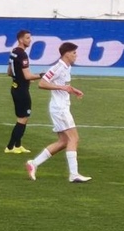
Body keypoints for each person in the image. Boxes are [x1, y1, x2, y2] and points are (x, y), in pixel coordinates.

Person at [25, 42, 91, 183]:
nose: (76, 55)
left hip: (61, 107)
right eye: (74, 53)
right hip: (60, 108)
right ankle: (74, 174)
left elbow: (63, 85)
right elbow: (42, 83)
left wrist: (72, 90)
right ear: (66, 53)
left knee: (63, 141)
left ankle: (33, 163)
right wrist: (62, 87)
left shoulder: (66, 67)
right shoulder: (58, 67)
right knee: (74, 139)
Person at [5, 29, 41, 154]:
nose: (29, 40)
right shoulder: (22, 55)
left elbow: (9, 71)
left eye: (30, 38)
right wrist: (43, 75)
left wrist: (21, 78)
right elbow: (27, 76)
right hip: (22, 91)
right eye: (27, 38)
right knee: (22, 119)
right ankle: (10, 147)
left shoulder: (14, 52)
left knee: (22, 117)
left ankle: (18, 145)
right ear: (21, 39)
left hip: (15, 87)